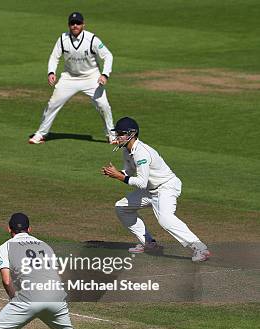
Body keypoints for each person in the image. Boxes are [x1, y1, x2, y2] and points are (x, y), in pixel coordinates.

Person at [101, 117, 211, 262]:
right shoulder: (127, 151)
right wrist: (117, 173)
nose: (117, 136)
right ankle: (148, 242)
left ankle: (200, 248)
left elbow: (141, 182)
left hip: (166, 187)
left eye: (121, 133)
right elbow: (129, 171)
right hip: (151, 189)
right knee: (121, 207)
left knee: (165, 219)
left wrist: (119, 177)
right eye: (118, 133)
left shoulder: (142, 153)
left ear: (131, 134)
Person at [29, 12, 115, 145]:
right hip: (69, 78)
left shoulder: (92, 39)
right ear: (68, 25)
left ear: (83, 25)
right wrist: (51, 72)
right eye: (72, 23)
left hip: (91, 77)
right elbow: (54, 56)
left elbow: (108, 56)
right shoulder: (62, 39)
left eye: (78, 23)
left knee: (103, 105)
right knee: (52, 104)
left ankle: (111, 135)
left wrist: (104, 74)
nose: (75, 26)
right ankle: (41, 134)